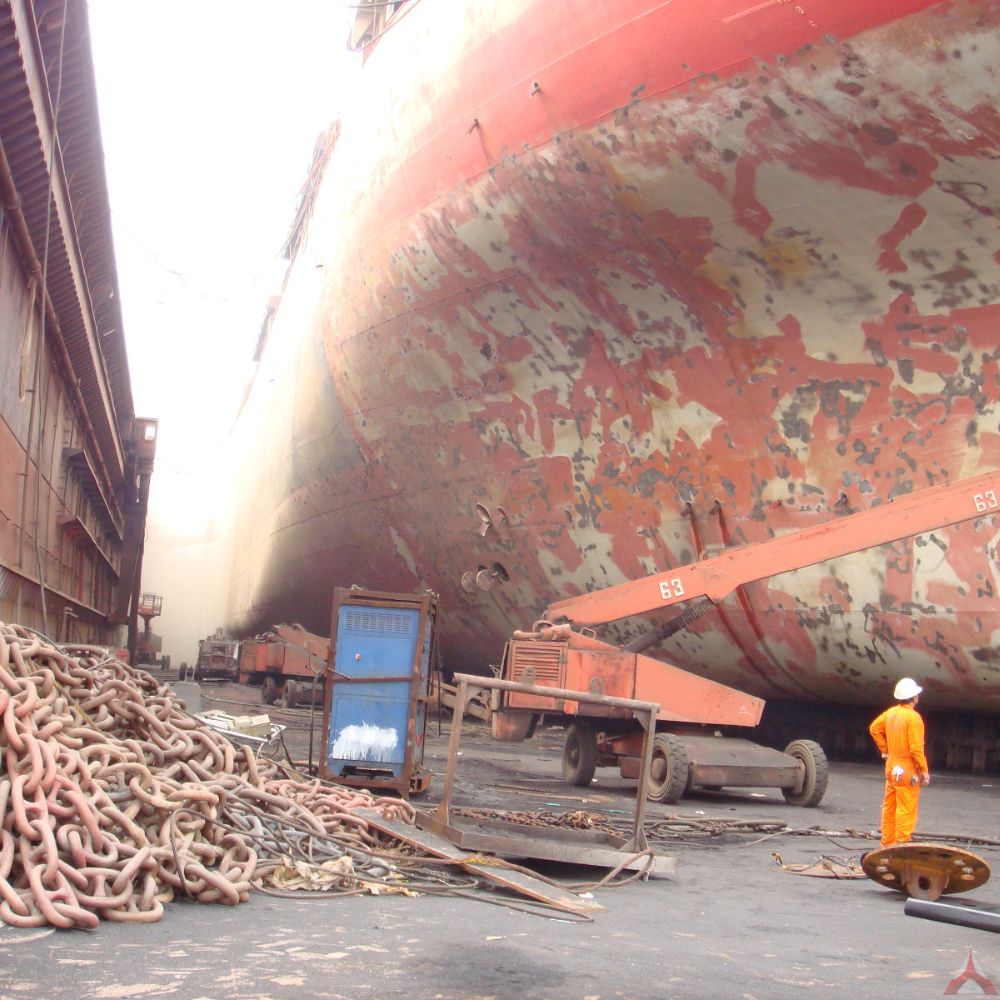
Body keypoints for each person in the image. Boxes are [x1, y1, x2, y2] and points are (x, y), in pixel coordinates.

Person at [869, 677, 930, 848]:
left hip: (892, 768)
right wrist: (924, 770)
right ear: (915, 697)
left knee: (889, 807)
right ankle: (901, 846)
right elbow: (916, 749)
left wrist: (885, 749)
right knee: (906, 808)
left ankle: (886, 845)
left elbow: (874, 728)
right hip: (907, 770)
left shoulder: (890, 713)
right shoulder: (914, 718)